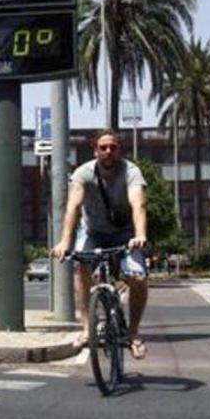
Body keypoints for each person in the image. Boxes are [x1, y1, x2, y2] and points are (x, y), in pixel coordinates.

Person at [51, 129, 150, 360]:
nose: (108, 152)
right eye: (103, 148)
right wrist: (65, 241)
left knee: (138, 278)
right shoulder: (83, 173)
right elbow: (73, 208)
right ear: (95, 151)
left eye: (113, 147)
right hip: (93, 231)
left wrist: (140, 234)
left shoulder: (131, 172)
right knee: (81, 267)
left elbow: (139, 206)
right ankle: (86, 328)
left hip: (126, 233)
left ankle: (134, 332)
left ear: (119, 150)